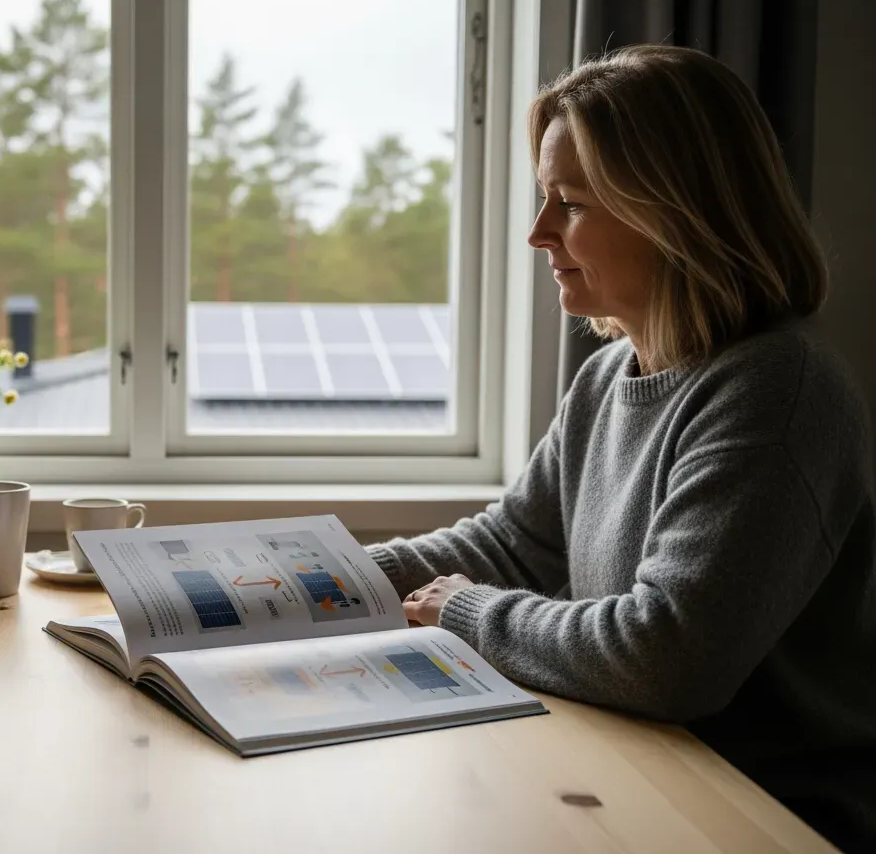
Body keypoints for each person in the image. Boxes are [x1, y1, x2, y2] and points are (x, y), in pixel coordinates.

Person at [367, 44, 876, 851]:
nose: (539, 234)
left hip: (757, 816)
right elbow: (512, 543)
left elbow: (666, 657)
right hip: (635, 774)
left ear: (677, 211)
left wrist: (464, 611)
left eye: (569, 203)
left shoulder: (780, 391)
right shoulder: (611, 374)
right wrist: (314, 575)